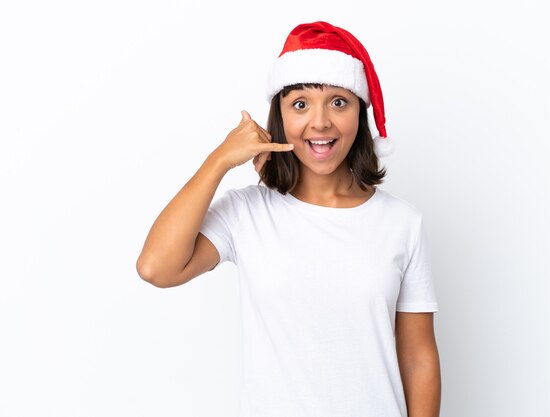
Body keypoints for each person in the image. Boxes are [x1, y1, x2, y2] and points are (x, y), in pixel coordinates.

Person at [136, 21, 441, 417]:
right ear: (279, 117)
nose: (320, 122)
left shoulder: (402, 222)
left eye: (338, 102)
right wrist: (220, 160)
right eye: (300, 104)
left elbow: (419, 358)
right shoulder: (247, 212)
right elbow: (156, 267)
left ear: (358, 115)